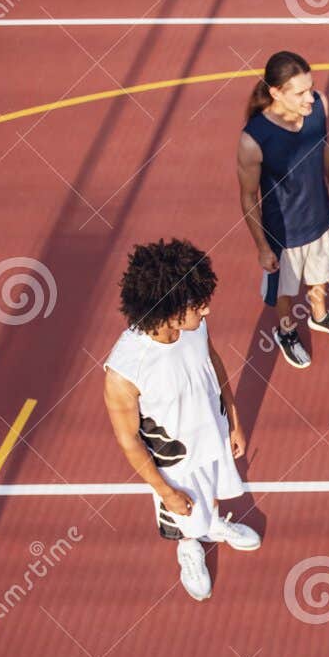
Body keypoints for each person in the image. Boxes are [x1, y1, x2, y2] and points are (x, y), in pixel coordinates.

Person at [104, 239, 259, 601]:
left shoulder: (193, 326)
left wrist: (233, 417)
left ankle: (213, 524)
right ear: (171, 307)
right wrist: (166, 492)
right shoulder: (125, 370)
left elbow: (212, 361)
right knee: (185, 513)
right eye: (197, 305)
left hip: (213, 433)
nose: (206, 311)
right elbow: (129, 441)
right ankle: (189, 547)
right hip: (177, 462)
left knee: (214, 492)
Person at [236, 50, 329, 370]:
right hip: (283, 235)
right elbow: (249, 197)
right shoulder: (254, 139)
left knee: (320, 278)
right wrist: (262, 247)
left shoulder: (319, 106)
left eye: (311, 87)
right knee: (285, 292)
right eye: (300, 92)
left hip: (319, 220)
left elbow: (324, 147)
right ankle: (286, 331)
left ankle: (320, 317)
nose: (310, 97)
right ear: (276, 93)